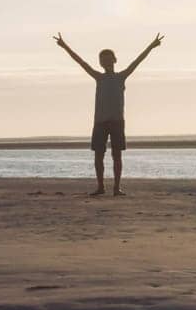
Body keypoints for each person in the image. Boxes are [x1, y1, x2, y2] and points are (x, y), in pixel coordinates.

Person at [54, 31, 163, 196]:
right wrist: (64, 46)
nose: (105, 61)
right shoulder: (98, 77)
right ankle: (100, 187)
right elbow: (80, 62)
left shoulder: (121, 77)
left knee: (116, 155)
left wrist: (152, 46)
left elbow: (137, 61)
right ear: (100, 63)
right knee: (98, 155)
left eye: (108, 58)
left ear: (114, 60)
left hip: (117, 121)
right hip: (100, 122)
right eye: (102, 60)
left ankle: (116, 187)